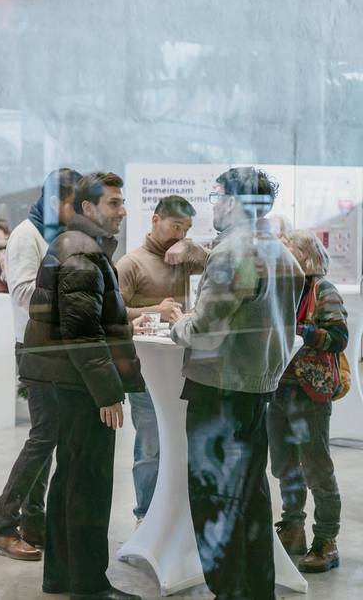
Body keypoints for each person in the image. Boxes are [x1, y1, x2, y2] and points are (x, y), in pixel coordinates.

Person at [170, 167, 304, 599]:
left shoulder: (234, 250)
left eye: (217, 197)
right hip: (257, 387)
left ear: (233, 201)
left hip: (220, 388)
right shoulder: (281, 251)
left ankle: (227, 589)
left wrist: (178, 325)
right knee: (250, 495)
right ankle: (255, 588)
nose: (214, 207)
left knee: (214, 497)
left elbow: (207, 329)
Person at [20, 171, 144, 600]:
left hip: (65, 380)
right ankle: (90, 586)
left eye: (121, 202)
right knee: (88, 484)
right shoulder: (82, 253)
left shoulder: (78, 247)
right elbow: (81, 330)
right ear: (87, 209)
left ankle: (61, 577)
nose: (122, 210)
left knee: (70, 479)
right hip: (79, 384)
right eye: (113, 203)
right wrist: (108, 392)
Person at [0, 167, 82, 560]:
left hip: (52, 349)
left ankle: (34, 521)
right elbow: (24, 291)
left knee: (48, 436)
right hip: (36, 348)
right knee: (44, 437)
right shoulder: (28, 234)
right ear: (56, 199)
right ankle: (1, 526)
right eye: (74, 201)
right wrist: (76, 298)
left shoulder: (54, 234)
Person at [115, 194, 207, 525]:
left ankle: (175, 516)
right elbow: (112, 313)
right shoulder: (130, 264)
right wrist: (156, 310)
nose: (179, 233)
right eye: (175, 226)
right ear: (155, 220)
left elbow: (220, 267)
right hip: (144, 372)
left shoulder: (182, 257)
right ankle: (145, 518)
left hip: (184, 367)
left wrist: (191, 247)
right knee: (151, 447)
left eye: (186, 228)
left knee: (182, 444)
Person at [269, 230, 344, 573]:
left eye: (287, 249)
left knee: (317, 469)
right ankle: (293, 527)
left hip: (309, 392)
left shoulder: (322, 290)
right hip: (277, 388)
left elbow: (338, 338)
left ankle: (326, 541)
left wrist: (302, 332)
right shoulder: (281, 287)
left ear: (305, 254)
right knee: (284, 465)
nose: (279, 255)